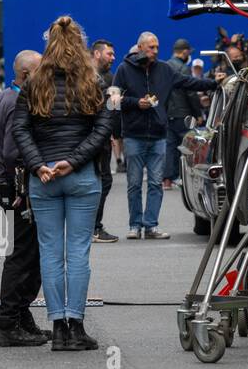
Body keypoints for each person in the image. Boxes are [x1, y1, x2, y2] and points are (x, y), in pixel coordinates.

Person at [12, 16, 113, 351]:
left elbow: (20, 129)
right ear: (79, 43)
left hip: (43, 179)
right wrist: (75, 160)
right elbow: (102, 129)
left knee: (50, 253)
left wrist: (39, 164)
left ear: (49, 43)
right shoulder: (91, 80)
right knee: (79, 253)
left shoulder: (34, 82)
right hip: (81, 175)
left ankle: (57, 328)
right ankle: (76, 327)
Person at [112, 32, 217, 239]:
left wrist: (215, 83)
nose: (156, 51)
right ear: (140, 47)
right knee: (134, 184)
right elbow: (112, 102)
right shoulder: (123, 70)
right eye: (151, 47)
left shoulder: (165, 70)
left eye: (157, 47)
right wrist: (135, 103)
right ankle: (134, 226)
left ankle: (150, 226)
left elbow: (190, 83)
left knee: (155, 184)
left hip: (159, 135)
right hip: (134, 135)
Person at [0, 48, 48, 346]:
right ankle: (8, 323)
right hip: (15, 187)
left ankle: (20, 316)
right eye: (40, 70)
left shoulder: (2, 97)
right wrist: (20, 185)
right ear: (26, 74)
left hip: (3, 183)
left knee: (28, 254)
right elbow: (11, 151)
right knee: (22, 256)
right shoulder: (20, 100)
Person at [90, 39, 119, 243]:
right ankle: (93, 228)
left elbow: (110, 109)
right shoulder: (85, 76)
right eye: (109, 54)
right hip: (90, 139)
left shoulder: (108, 77)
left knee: (104, 182)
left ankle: (93, 227)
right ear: (97, 54)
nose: (113, 57)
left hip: (103, 138)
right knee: (97, 182)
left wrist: (114, 101)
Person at [163, 39, 198, 191]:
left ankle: (166, 180)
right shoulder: (183, 68)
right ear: (184, 52)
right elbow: (190, 92)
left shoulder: (164, 67)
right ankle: (184, 177)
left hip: (168, 113)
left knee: (169, 146)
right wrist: (198, 112)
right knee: (187, 146)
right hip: (183, 113)